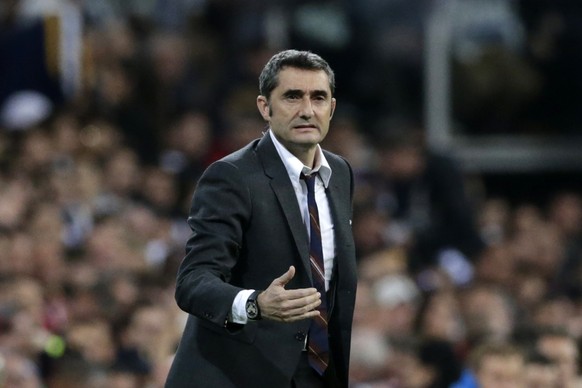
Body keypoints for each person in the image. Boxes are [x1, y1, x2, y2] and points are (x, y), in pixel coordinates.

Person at [165, 50, 358, 387]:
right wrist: (255, 304)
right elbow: (193, 281)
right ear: (264, 107)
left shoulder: (340, 173)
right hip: (238, 375)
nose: (307, 110)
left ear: (332, 108)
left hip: (317, 373)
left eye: (318, 97)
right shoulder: (231, 176)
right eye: (292, 97)